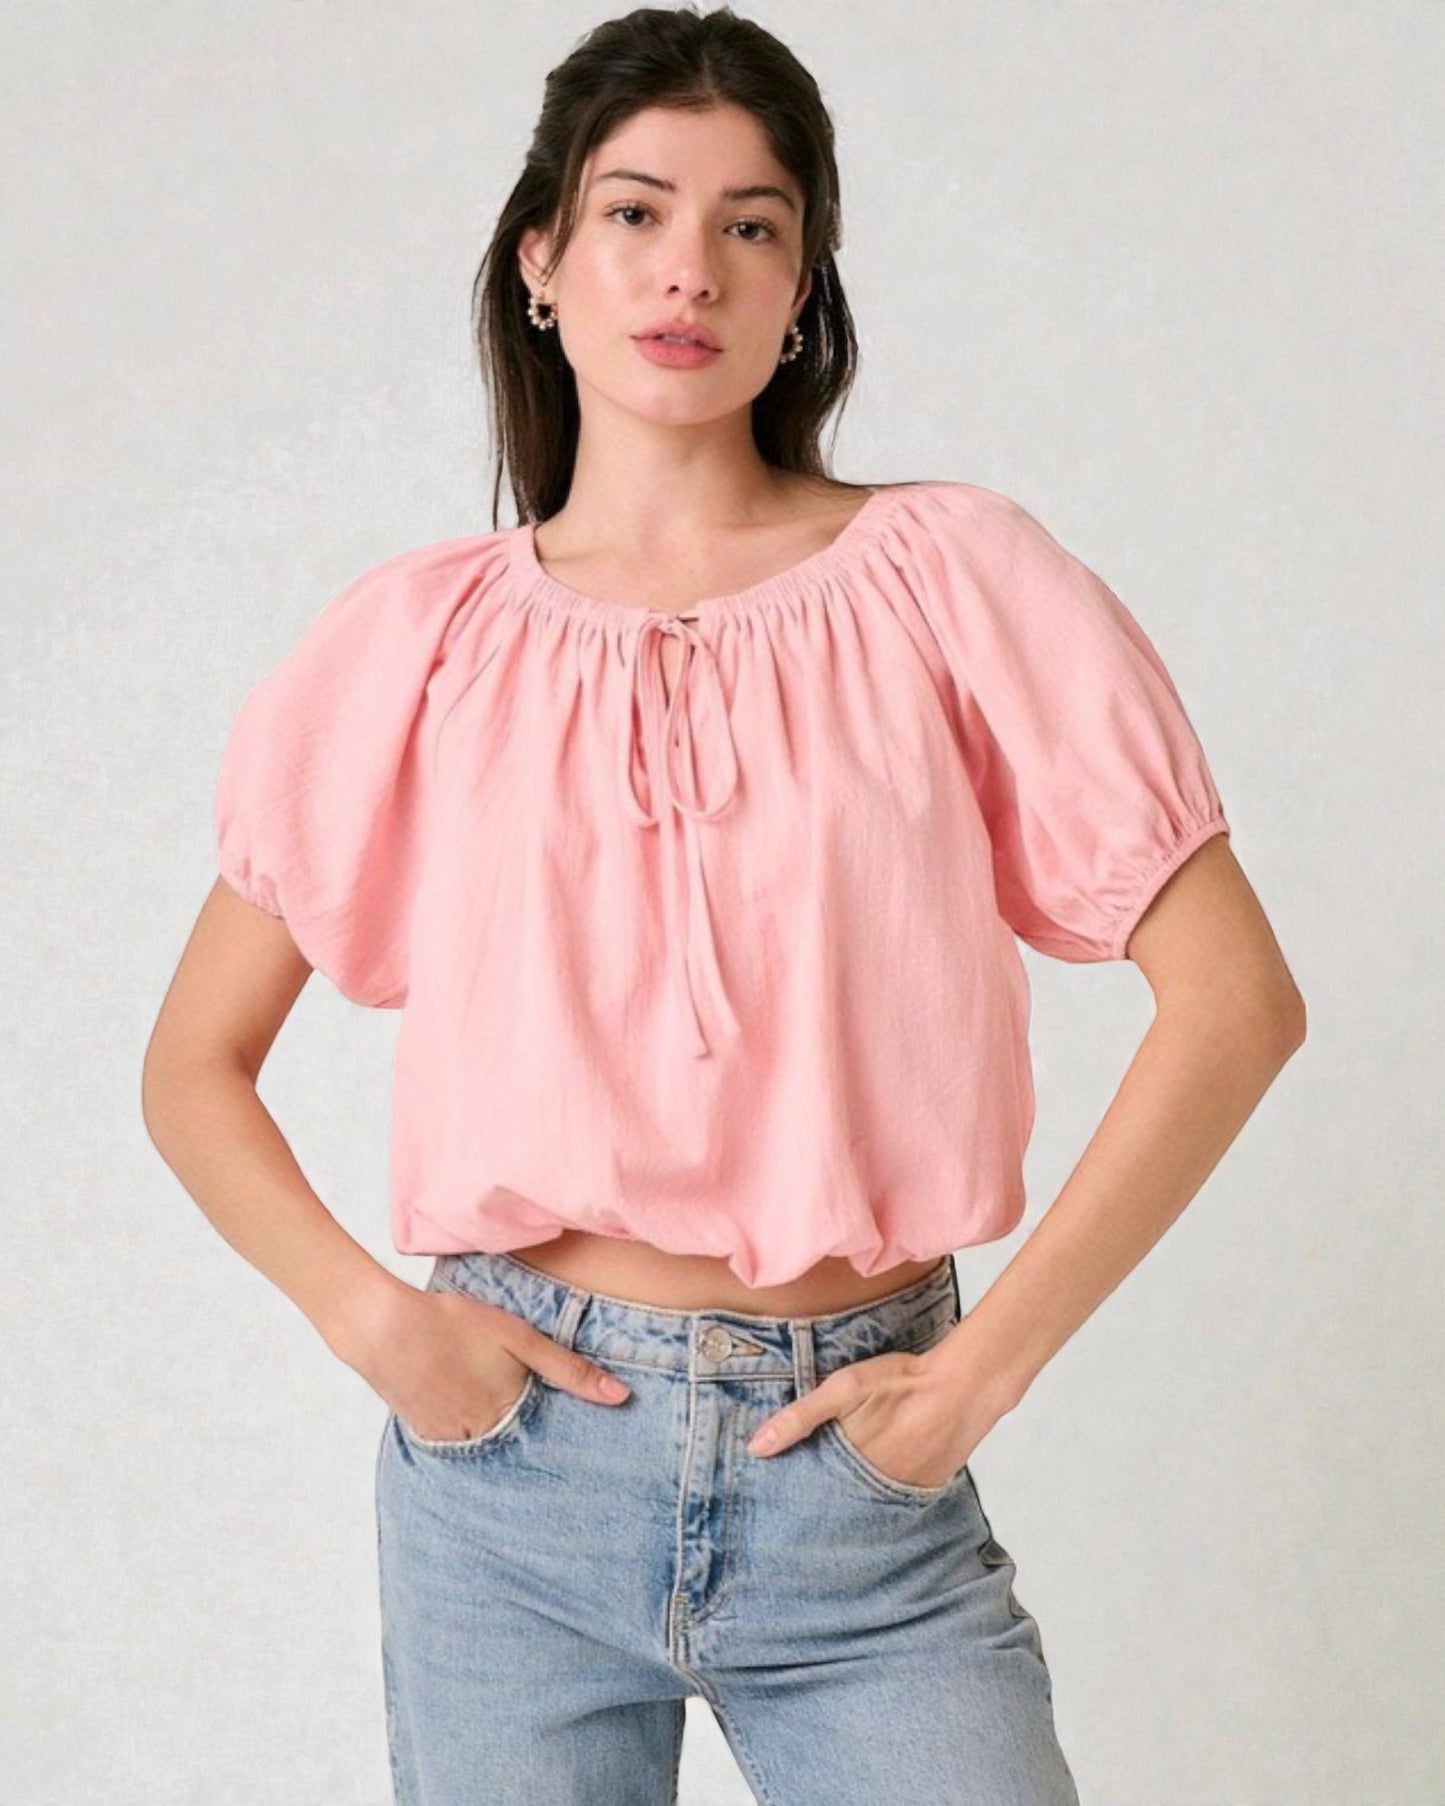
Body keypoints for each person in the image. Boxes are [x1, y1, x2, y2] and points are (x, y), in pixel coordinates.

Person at [142, 8, 1306, 1802]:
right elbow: (192, 1064)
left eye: (752, 224)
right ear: (543, 259)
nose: (688, 266)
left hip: (862, 1467)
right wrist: (379, 1324)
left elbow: (1234, 999)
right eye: (633, 212)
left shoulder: (953, 578)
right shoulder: (419, 640)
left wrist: (978, 1375)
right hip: (508, 1477)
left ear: (801, 284)